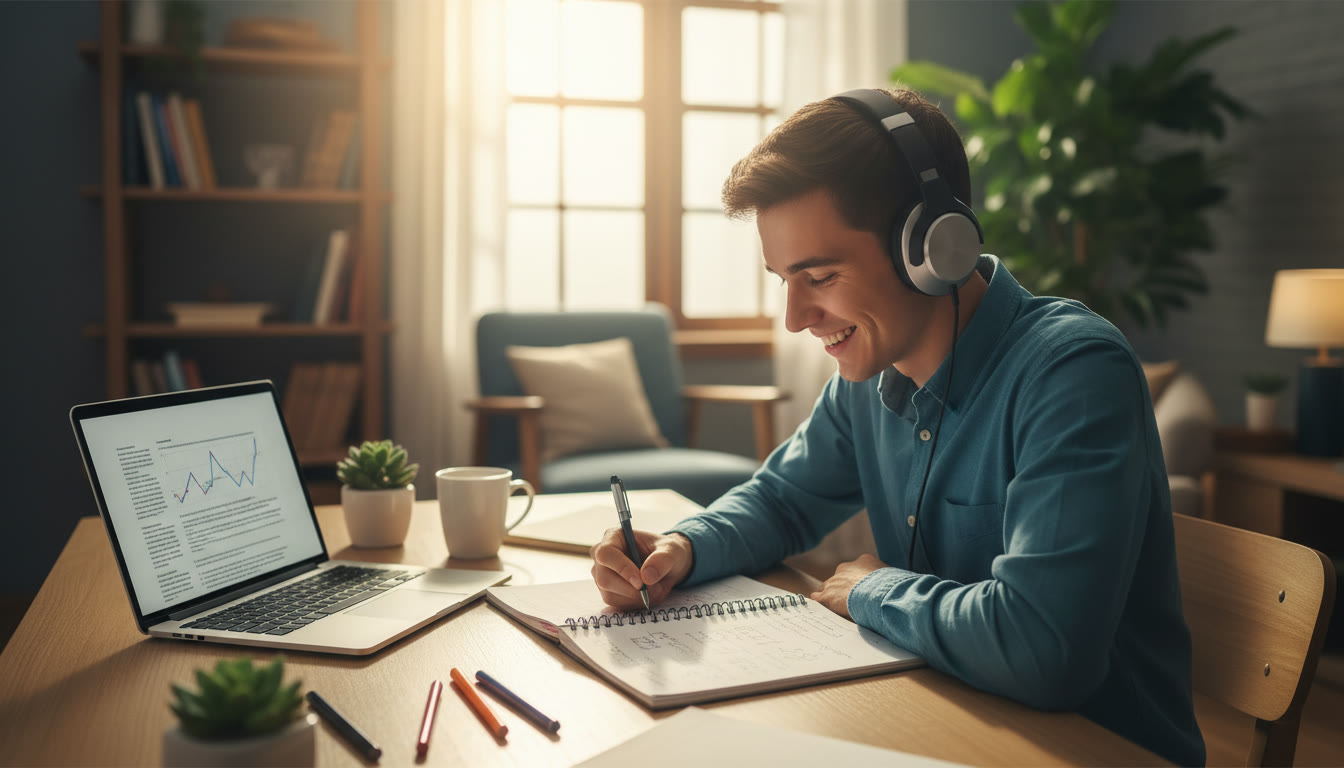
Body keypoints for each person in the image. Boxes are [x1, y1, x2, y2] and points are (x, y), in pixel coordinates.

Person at [589, 87, 1205, 766]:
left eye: (820, 276)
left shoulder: (1071, 374)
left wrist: (873, 589)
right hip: (943, 724)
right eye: (784, 279)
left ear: (933, 247)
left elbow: (1045, 649)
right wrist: (682, 547)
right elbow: (781, 501)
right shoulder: (867, 379)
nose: (795, 318)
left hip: (1087, 751)